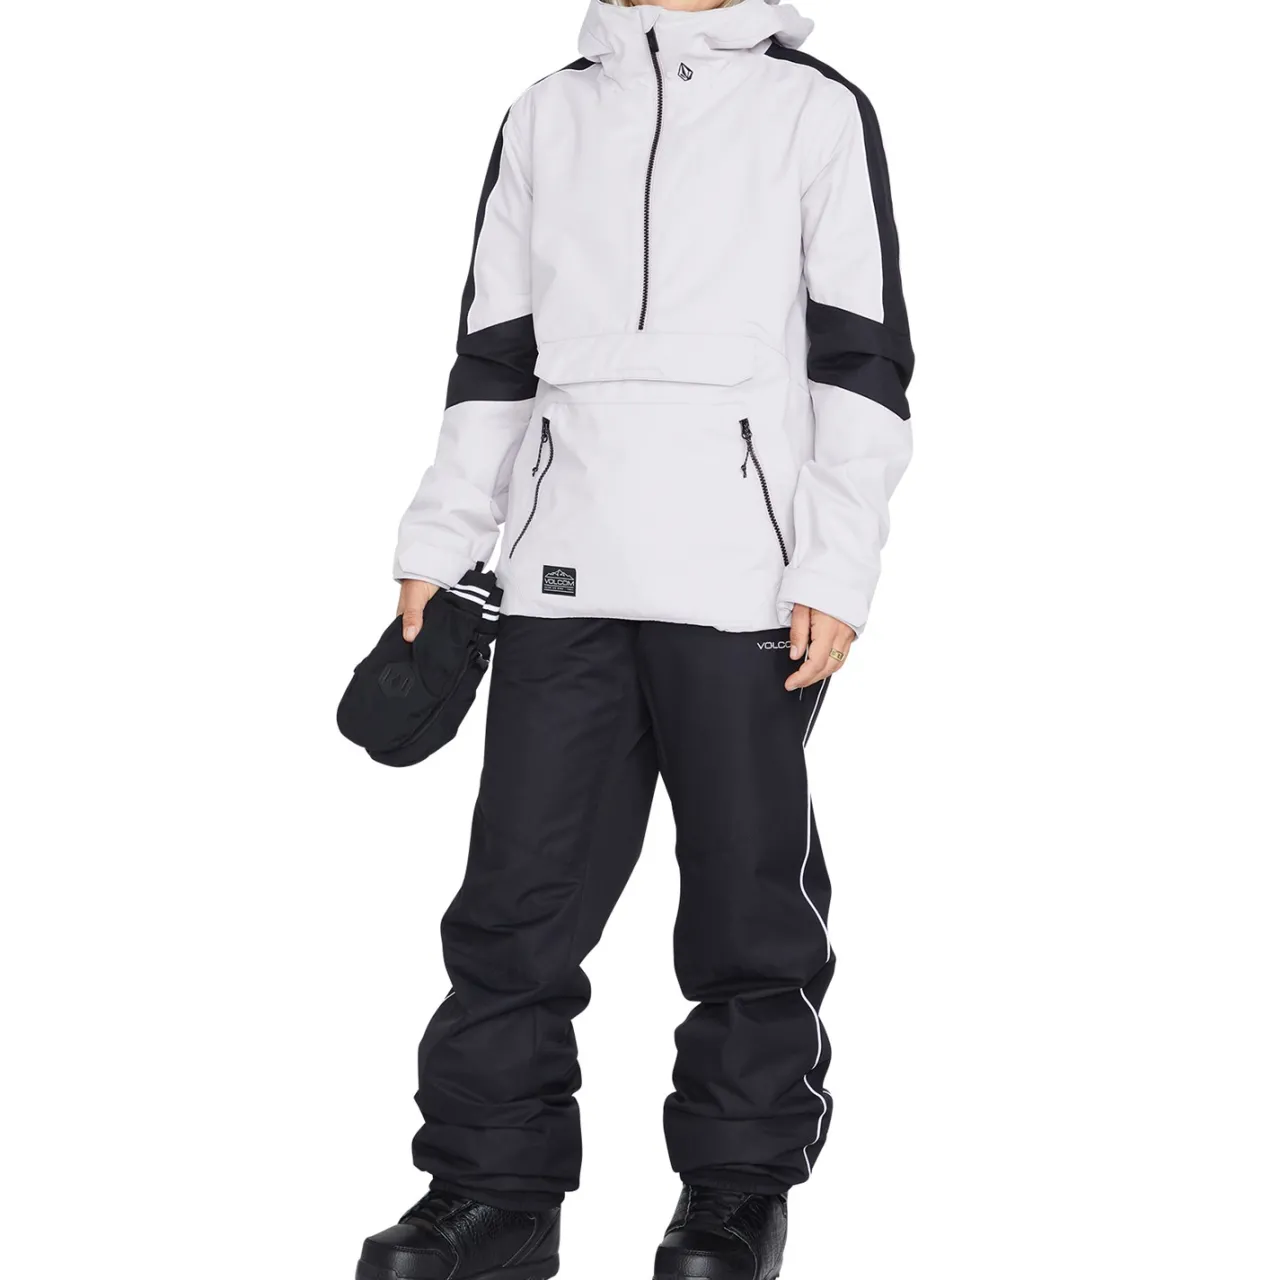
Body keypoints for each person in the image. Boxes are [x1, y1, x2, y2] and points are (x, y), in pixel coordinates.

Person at [355, 0, 913, 1276]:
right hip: (562, 572)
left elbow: (860, 356)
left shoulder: (814, 110)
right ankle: (491, 1193)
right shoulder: (544, 114)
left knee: (746, 902)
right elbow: (494, 352)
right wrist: (441, 539)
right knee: (514, 901)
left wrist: (834, 562)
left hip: (745, 580)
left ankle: (733, 1193)